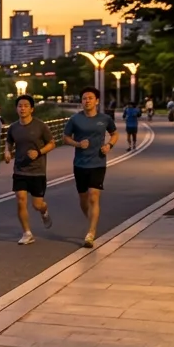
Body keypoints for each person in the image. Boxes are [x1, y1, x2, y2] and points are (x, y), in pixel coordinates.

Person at [63, 87, 117, 248]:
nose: (87, 100)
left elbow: (114, 134)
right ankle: (91, 221)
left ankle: (91, 232)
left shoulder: (105, 119)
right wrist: (78, 144)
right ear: (82, 101)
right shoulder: (75, 119)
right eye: (85, 98)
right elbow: (65, 138)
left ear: (97, 101)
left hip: (98, 163)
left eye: (91, 98)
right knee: (83, 198)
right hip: (80, 163)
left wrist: (109, 145)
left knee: (94, 195)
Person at [3, 95, 54, 245]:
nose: (22, 108)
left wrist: (39, 152)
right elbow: (9, 142)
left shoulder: (40, 126)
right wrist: (7, 152)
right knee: (20, 200)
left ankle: (44, 211)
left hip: (37, 171)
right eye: (20, 106)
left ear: (32, 109)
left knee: (37, 205)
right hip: (20, 170)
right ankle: (27, 233)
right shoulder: (13, 127)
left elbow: (51, 143)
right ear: (16, 108)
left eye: (26, 106)